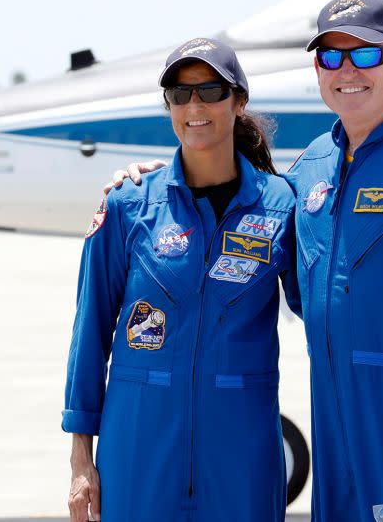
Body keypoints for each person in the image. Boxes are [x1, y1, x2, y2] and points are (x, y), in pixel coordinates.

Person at [111, 0, 383, 521]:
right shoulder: (311, 172)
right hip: (334, 417)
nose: (347, 70)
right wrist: (161, 179)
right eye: (331, 57)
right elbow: (247, 209)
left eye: (366, 54)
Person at [62, 37, 300, 522]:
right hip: (139, 446)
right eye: (179, 92)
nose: (195, 106)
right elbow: (89, 336)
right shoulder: (128, 205)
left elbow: (325, 314)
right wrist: (80, 458)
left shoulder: (281, 206)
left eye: (211, 91)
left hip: (241, 449)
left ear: (238, 102)